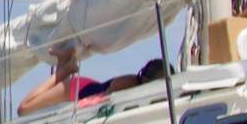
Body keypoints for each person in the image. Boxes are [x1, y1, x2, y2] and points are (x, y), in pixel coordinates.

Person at [16, 48, 166, 115]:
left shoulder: (137, 84)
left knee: (54, 102)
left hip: (86, 87)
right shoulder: (131, 82)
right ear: (146, 79)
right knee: (24, 109)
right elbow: (103, 97)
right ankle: (66, 70)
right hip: (77, 88)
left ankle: (64, 57)